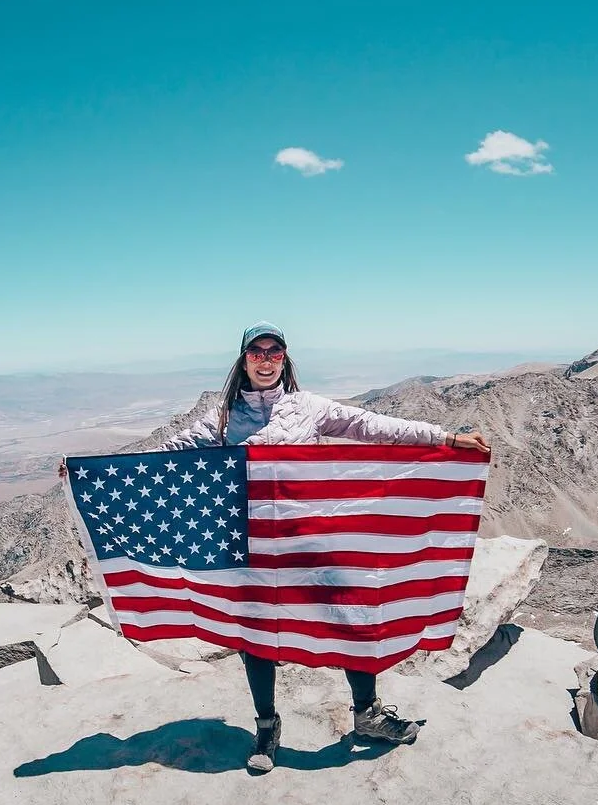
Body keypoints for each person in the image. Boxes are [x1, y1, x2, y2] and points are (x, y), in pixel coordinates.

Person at [65, 322, 490, 773]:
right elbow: (168, 458)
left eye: (274, 352)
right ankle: (267, 727)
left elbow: (372, 426)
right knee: (257, 633)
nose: (265, 360)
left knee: (348, 616)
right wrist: (90, 475)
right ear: (243, 359)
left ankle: (367, 713)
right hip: (251, 545)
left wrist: (444, 438)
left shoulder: (308, 407)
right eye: (257, 352)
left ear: (285, 358)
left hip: (310, 539)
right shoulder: (223, 418)